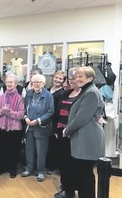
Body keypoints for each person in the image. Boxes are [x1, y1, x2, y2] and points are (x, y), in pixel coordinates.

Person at [63, 66, 105, 198]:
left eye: (81, 76)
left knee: (85, 175)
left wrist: (67, 130)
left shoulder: (91, 92)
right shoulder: (87, 91)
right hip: (83, 137)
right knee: (83, 174)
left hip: (88, 138)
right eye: (76, 76)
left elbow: (82, 117)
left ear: (90, 78)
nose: (77, 79)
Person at [21, 74, 54, 182]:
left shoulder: (48, 95)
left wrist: (38, 121)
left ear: (43, 84)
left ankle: (41, 171)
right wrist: (26, 118)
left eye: (38, 82)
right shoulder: (29, 93)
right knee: (29, 149)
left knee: (41, 151)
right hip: (29, 126)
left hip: (41, 127)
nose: (36, 84)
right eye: (34, 82)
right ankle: (29, 168)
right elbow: (24, 108)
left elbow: (50, 112)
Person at [53, 68, 81, 198]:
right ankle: (66, 188)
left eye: (74, 79)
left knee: (73, 163)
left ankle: (71, 189)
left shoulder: (83, 95)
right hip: (61, 133)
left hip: (75, 135)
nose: (72, 82)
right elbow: (57, 114)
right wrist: (56, 130)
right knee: (63, 162)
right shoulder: (63, 94)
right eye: (70, 80)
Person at [0, 73, 25, 178]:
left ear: (16, 84)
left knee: (14, 149)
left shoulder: (20, 98)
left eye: (11, 82)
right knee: (2, 148)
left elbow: (21, 114)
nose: (9, 84)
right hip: (2, 126)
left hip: (15, 128)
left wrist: (10, 112)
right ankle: (3, 167)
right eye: (7, 82)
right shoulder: (1, 97)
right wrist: (2, 111)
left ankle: (13, 168)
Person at [46, 70, 66, 175]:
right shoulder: (48, 90)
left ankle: (52, 167)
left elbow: (59, 110)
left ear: (63, 81)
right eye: (56, 77)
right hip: (45, 121)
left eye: (60, 78)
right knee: (48, 145)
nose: (57, 80)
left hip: (55, 122)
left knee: (54, 145)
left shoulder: (62, 93)